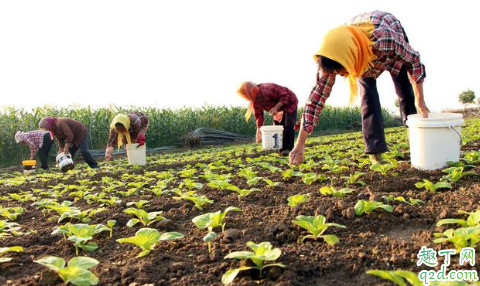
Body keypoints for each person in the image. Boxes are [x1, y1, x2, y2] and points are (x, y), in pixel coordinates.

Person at [289, 10, 430, 166]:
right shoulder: (331, 56)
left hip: (383, 36)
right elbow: (315, 101)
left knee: (405, 89)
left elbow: (415, 61)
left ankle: (417, 139)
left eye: (343, 71)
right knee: (367, 98)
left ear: (350, 59)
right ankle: (375, 153)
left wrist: (420, 101)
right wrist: (300, 144)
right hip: (359, 52)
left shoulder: (385, 40)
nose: (343, 76)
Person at [237, 81, 298, 156]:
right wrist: (259, 130)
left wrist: (276, 107)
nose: (246, 98)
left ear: (248, 91)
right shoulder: (256, 101)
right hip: (278, 109)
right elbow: (259, 116)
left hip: (290, 102)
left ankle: (288, 149)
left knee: (288, 124)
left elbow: (285, 95)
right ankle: (281, 150)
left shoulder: (268, 88)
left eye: (245, 95)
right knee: (278, 128)